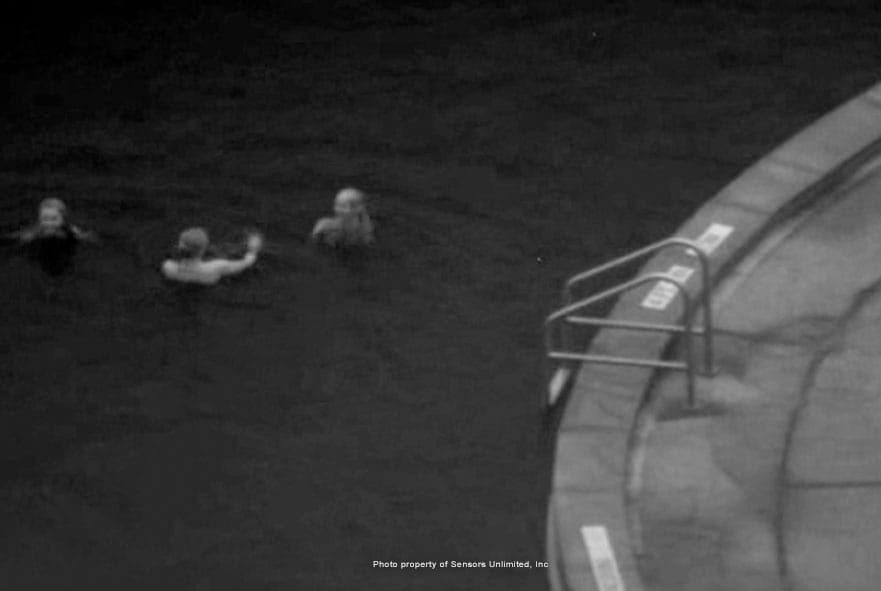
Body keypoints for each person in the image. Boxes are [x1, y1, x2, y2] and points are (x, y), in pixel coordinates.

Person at [4, 197, 98, 276]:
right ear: (39, 219)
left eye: (54, 219)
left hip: (63, 252)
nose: (49, 224)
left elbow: (89, 238)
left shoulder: (71, 231)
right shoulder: (35, 232)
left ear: (63, 220)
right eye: (45, 219)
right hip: (42, 252)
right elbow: (16, 239)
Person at [161, 227, 263, 285]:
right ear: (203, 250)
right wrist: (253, 248)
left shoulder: (168, 267)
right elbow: (247, 262)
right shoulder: (216, 267)